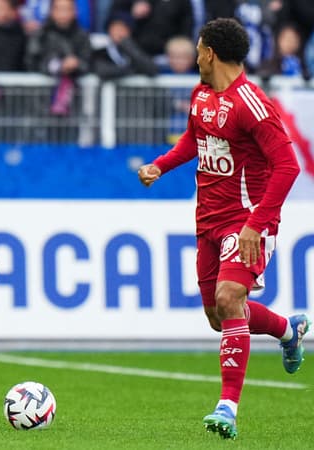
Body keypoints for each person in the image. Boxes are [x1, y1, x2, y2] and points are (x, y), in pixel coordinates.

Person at [138, 18, 307, 440]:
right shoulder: (201, 96)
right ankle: (289, 329)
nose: (195, 56)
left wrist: (257, 224)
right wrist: (161, 165)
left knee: (230, 297)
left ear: (210, 53)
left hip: (245, 220)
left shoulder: (252, 104)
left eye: (198, 48)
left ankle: (227, 408)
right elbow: (193, 142)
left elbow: (288, 166)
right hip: (207, 222)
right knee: (218, 317)